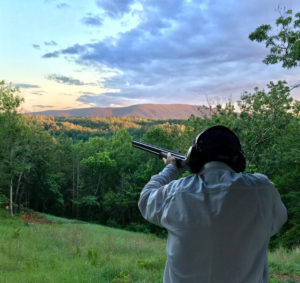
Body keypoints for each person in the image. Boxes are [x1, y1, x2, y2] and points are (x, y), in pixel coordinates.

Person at [138, 125, 287, 283]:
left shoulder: (177, 192)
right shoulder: (262, 189)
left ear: (194, 157)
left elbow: (145, 198)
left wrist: (170, 168)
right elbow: (276, 221)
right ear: (239, 159)